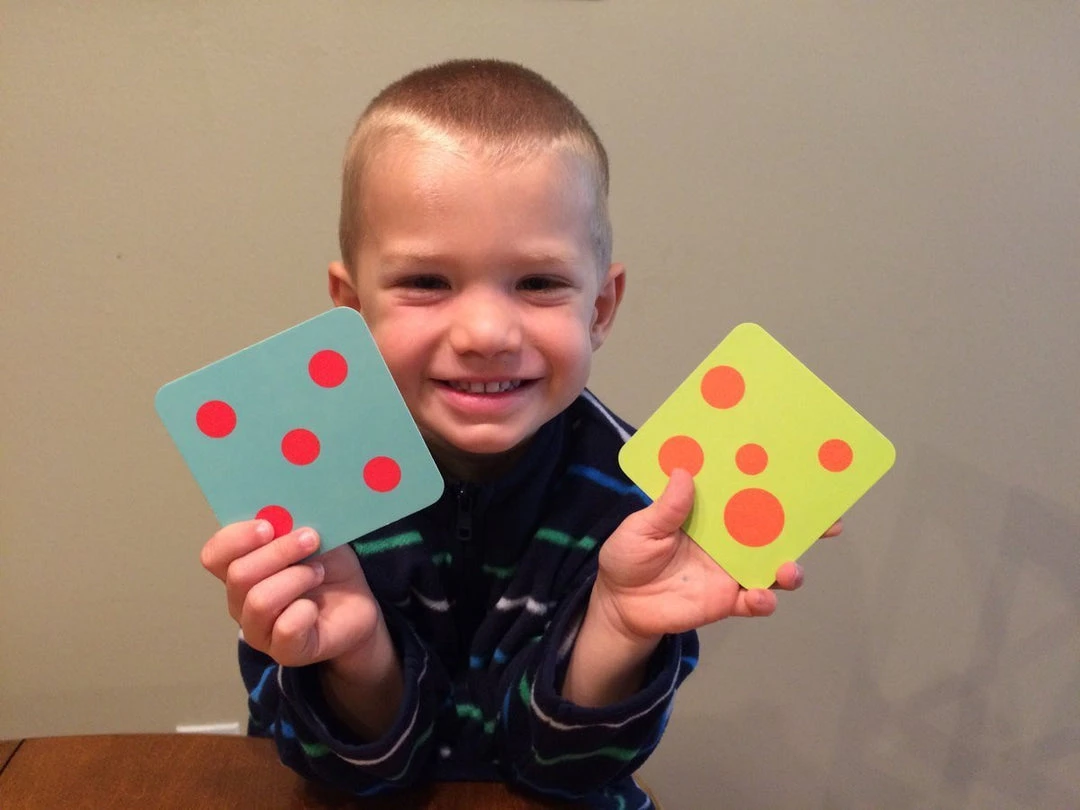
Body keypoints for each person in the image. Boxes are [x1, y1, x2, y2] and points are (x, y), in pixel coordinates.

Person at [199, 59, 839, 809]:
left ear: (600, 309)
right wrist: (359, 656)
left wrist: (615, 626)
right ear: (352, 308)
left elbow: (562, 773)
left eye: (538, 283)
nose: (485, 333)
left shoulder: (648, 504)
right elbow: (342, 773)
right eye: (427, 283)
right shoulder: (301, 485)